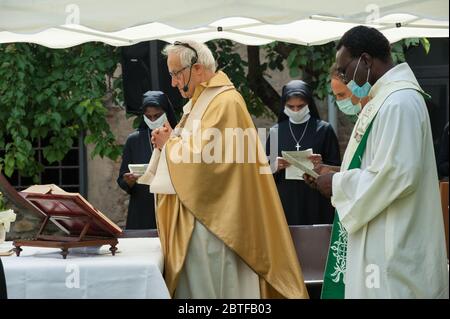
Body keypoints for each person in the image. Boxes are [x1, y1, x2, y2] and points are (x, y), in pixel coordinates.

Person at [151, 40, 308, 298]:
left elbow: (207, 165)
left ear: (198, 68)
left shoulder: (225, 102)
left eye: (176, 74)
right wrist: (169, 142)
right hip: (200, 221)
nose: (173, 82)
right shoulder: (200, 103)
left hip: (218, 226)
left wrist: (169, 145)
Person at [308, 26, 449, 298]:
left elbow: (398, 173)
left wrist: (337, 183)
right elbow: (378, 164)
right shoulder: (386, 99)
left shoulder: (399, 102)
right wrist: (332, 172)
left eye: (344, 69)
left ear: (365, 60)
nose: (344, 78)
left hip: (394, 246)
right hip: (380, 236)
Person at [266, 80, 340, 225]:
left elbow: (337, 169)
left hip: (316, 199)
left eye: (300, 106)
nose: (295, 110)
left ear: (309, 104)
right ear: (284, 106)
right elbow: (264, 172)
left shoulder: (324, 130)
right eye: (290, 107)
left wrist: (321, 165)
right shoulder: (275, 132)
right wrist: (275, 166)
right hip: (286, 199)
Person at [117, 91, 177, 229]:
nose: (153, 119)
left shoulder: (179, 137)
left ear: (166, 112)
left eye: (157, 115)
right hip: (141, 213)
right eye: (148, 116)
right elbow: (122, 180)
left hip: (171, 209)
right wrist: (128, 180)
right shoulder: (134, 140)